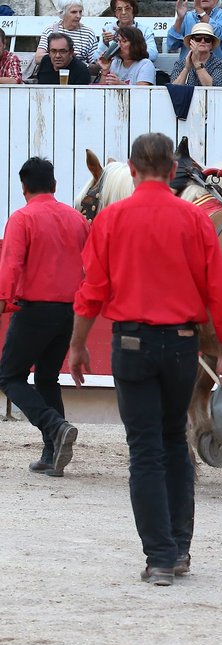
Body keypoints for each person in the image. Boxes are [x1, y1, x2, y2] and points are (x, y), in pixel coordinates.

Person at [69, 132, 222, 587]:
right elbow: (218, 293)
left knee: (144, 451)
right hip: (183, 346)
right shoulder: (194, 219)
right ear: (171, 169)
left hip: (131, 346)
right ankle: (180, 548)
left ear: (131, 167)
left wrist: (77, 344)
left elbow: (92, 292)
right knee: (172, 443)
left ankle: (160, 557)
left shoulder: (110, 220)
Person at [0, 157, 89, 478]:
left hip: (34, 310)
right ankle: (52, 454)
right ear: (55, 185)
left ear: (23, 187)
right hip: (70, 312)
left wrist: (4, 301)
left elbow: (11, 264)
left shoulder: (22, 218)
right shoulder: (78, 220)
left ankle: (56, 426)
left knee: (9, 377)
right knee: (47, 378)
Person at [166, 0, 222, 68]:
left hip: (218, 73)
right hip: (188, 73)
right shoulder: (187, 16)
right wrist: (179, 19)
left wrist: (200, 12)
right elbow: (172, 45)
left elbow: (218, 34)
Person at [33, 1, 98, 70]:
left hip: (79, 74)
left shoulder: (88, 33)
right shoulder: (51, 31)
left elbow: (96, 65)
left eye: (80, 12)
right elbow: (38, 58)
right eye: (74, 12)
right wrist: (63, 56)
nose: (78, 16)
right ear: (63, 13)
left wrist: (77, 63)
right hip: (54, 74)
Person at [98, 0, 158, 64]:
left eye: (127, 8)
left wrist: (129, 40)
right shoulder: (108, 29)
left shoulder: (145, 30)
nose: (123, 12)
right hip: (113, 69)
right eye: (119, 9)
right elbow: (97, 58)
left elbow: (152, 55)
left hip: (137, 68)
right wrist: (105, 44)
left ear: (134, 10)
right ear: (115, 13)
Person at [169, 22, 222, 86]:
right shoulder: (180, 64)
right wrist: (186, 68)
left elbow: (215, 89)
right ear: (191, 42)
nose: (202, 41)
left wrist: (197, 63)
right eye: (198, 38)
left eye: (207, 39)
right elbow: (174, 88)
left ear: (212, 44)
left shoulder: (221, 64)